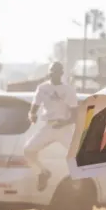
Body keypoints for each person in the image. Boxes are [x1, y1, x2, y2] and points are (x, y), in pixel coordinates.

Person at [25, 62, 78, 191]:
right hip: (48, 127)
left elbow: (75, 115)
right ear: (49, 73)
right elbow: (34, 107)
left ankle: (77, 182)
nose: (54, 75)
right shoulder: (42, 88)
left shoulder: (68, 90)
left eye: (57, 72)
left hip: (63, 127)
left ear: (61, 74)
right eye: (51, 72)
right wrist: (32, 115)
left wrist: (64, 123)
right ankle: (42, 173)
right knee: (28, 150)